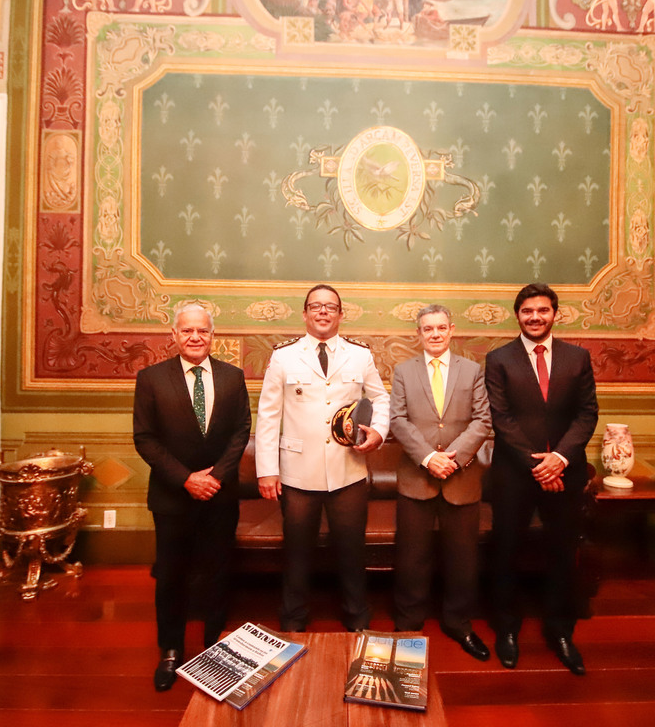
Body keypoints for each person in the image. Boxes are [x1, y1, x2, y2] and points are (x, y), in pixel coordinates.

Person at [255, 284, 390, 631]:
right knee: (297, 554)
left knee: (351, 552)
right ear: (304, 314)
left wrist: (377, 431)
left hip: (349, 472)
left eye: (331, 306)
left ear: (341, 314)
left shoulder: (360, 355)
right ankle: (294, 619)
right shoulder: (283, 357)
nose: (323, 312)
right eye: (315, 306)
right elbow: (269, 415)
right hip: (297, 474)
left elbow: (382, 400)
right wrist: (267, 471)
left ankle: (357, 618)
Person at [133, 304, 251, 691]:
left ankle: (213, 642)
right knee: (170, 575)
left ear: (212, 335)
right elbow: (145, 438)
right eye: (187, 331)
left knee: (217, 569)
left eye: (202, 331)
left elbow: (241, 431)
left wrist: (215, 477)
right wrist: (186, 479)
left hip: (220, 494)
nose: (195, 337)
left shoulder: (233, 377)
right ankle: (170, 650)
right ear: (174, 335)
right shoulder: (151, 379)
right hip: (172, 496)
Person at [485, 283, 598, 673]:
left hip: (566, 472)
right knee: (506, 552)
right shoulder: (498, 359)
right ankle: (507, 630)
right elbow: (502, 419)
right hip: (514, 473)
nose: (535, 317)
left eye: (543, 310)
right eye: (528, 311)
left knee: (563, 552)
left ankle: (560, 631)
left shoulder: (577, 357)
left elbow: (587, 414)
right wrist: (539, 464)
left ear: (555, 314)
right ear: (517, 315)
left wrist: (560, 459)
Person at [389, 305, 492, 660]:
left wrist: (453, 457)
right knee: (411, 557)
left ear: (452, 330)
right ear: (418, 334)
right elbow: (398, 421)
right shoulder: (403, 371)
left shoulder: (473, 370)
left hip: (461, 478)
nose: (434, 334)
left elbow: (483, 420)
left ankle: (459, 624)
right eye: (427, 329)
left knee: (462, 559)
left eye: (441, 328)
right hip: (417, 477)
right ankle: (407, 624)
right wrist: (429, 458)